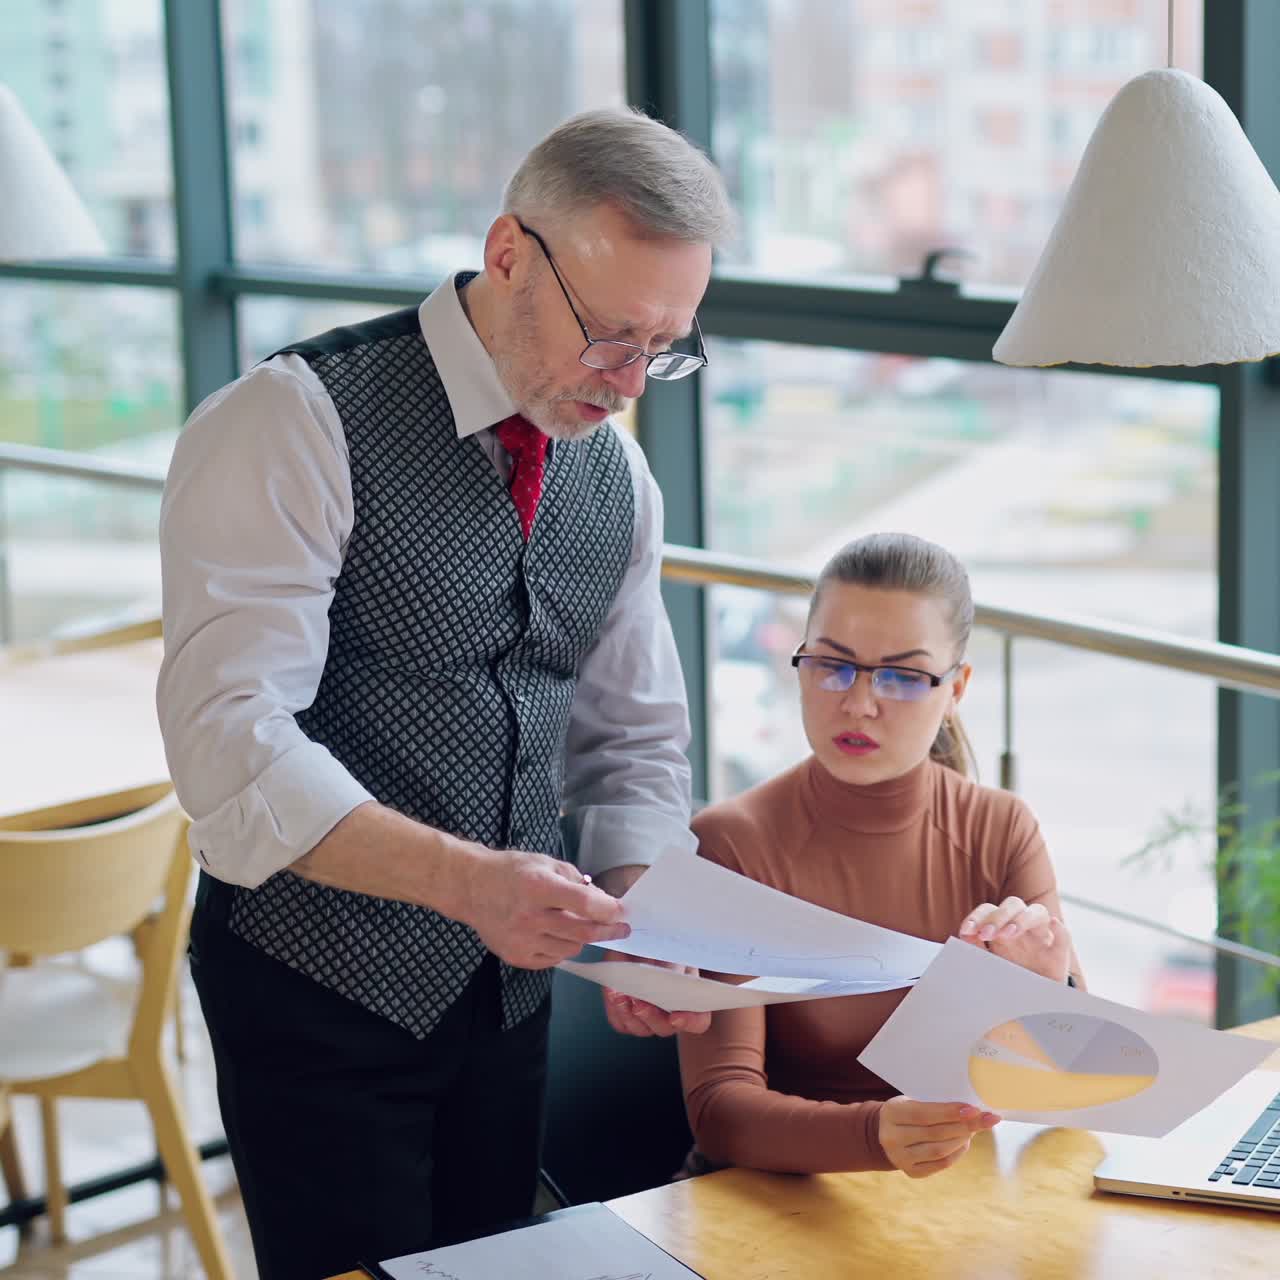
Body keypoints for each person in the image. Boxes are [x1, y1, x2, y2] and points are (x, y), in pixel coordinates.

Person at [156, 107, 734, 1279]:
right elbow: (230, 742)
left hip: (511, 1008)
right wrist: (470, 884)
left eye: (663, 346)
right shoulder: (293, 421)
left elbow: (631, 741)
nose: (628, 383)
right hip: (315, 988)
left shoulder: (613, 467)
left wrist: (643, 919)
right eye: (610, 335)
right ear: (511, 253)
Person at [677, 532, 1085, 1181]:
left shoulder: (1002, 828)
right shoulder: (732, 844)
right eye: (831, 664)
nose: (859, 702)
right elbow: (719, 1111)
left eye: (901, 676)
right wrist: (874, 1134)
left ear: (956, 688)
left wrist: (1047, 988)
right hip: (772, 1203)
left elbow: (1078, 1084)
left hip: (955, 1201)